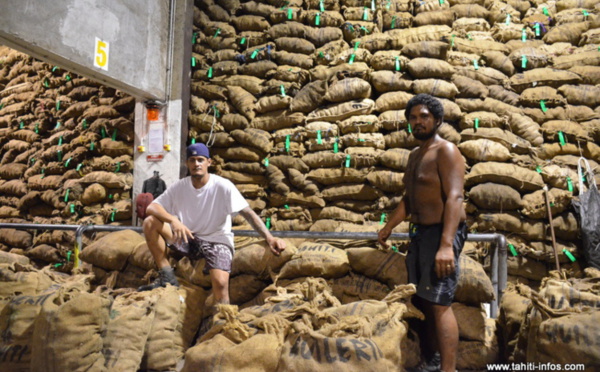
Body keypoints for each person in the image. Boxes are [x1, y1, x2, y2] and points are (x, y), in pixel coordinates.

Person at [378, 94, 467, 372]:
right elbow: (409, 198)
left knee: (439, 303)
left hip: (441, 233)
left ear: (438, 120)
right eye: (413, 118)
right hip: (420, 234)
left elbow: (454, 198)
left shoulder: (446, 151)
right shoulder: (416, 155)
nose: (418, 122)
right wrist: (389, 226)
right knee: (423, 301)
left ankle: (448, 369)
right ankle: (433, 361)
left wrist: (446, 245)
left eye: (424, 116)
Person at [138, 143, 286, 306]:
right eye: (192, 160)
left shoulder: (223, 186)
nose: (196, 164)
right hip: (189, 238)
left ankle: (223, 319)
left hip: (217, 241)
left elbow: (248, 213)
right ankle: (167, 275)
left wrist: (270, 238)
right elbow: (152, 207)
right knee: (150, 222)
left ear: (209, 162)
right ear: (187, 164)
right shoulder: (180, 186)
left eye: (200, 160)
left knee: (221, 284)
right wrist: (173, 220)